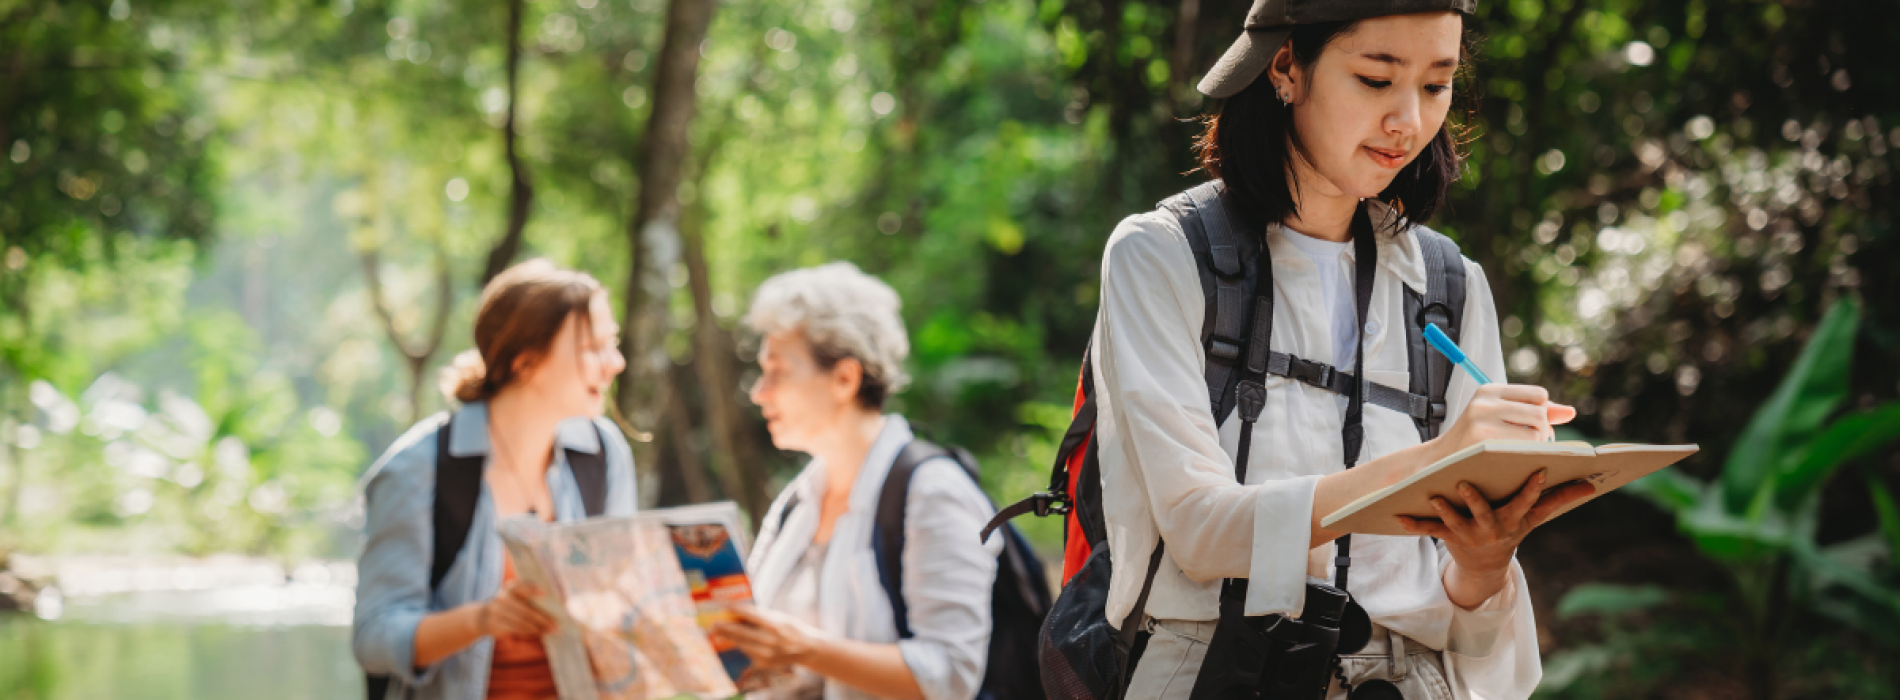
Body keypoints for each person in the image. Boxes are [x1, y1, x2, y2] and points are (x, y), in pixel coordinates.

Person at [1090, 1, 1595, 698]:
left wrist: (1484, 561)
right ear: (1287, 68)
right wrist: (1437, 462)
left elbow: (1461, 613)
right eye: (1376, 79)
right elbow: (1200, 531)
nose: (1408, 121)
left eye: (1436, 85)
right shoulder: (1162, 255)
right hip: (1219, 672)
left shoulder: (1449, 284)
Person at [712, 262, 1001, 700]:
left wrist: (807, 649)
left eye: (777, 371)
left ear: (844, 379)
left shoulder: (933, 492)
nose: (759, 392)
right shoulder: (796, 502)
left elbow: (950, 674)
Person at [353, 259, 636, 700]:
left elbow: (622, 608)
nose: (615, 363)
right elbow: (373, 639)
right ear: (527, 362)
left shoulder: (603, 453)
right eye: (593, 348)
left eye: (612, 344)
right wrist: (482, 620)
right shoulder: (418, 468)